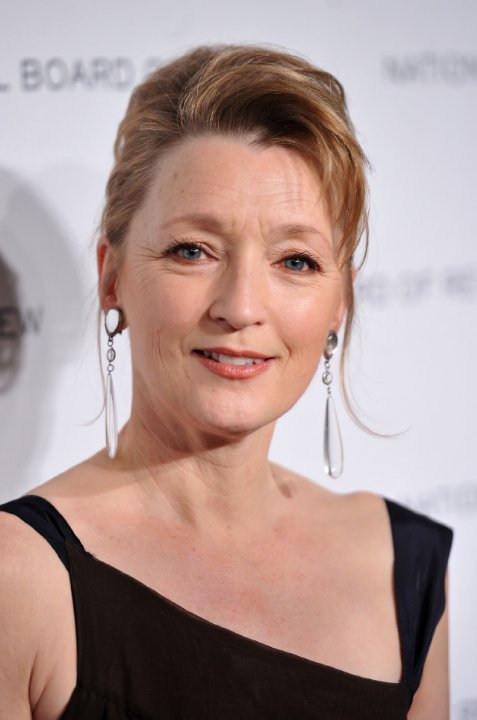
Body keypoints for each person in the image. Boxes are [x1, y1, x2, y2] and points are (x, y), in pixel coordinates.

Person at [0, 45, 453, 719]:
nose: (240, 307)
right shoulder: (17, 579)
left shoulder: (403, 565)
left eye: (295, 261)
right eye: (193, 251)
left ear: (340, 302)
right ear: (112, 277)